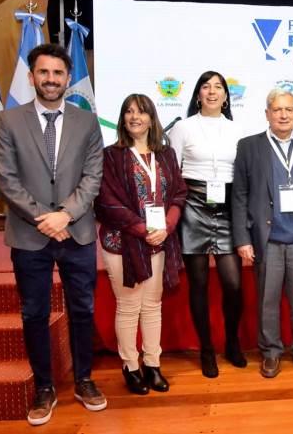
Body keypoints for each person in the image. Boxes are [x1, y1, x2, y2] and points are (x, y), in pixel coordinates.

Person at [0, 43, 105, 425]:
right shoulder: (8, 120)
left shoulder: (87, 122)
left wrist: (66, 215)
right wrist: (47, 219)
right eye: (44, 72)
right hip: (29, 234)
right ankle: (44, 387)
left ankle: (85, 379)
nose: (51, 79)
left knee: (83, 310)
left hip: (78, 233)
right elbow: (6, 180)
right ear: (31, 76)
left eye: (58, 73)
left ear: (68, 79)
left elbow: (93, 177)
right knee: (35, 312)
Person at [232, 88, 293, 378]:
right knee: (267, 302)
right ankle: (271, 352)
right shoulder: (249, 147)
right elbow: (239, 195)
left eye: (289, 109)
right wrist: (242, 239)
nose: (283, 115)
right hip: (267, 241)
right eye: (277, 110)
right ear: (267, 114)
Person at [95, 94, 188, 395]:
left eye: (141, 112)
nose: (135, 117)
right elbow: (106, 202)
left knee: (152, 306)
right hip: (123, 242)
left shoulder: (166, 155)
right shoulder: (111, 156)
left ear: (152, 118)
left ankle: (153, 363)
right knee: (129, 305)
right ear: (123, 119)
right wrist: (141, 228)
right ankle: (130, 366)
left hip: (160, 239)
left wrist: (168, 225)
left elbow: (178, 194)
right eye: (129, 112)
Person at [168, 71, 247, 377]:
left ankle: (232, 341)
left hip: (227, 207)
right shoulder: (183, 128)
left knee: (233, 284)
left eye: (218, 87)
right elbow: (173, 173)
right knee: (199, 283)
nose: (212, 92)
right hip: (193, 206)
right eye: (206, 87)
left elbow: (243, 173)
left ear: (227, 96)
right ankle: (206, 349)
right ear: (198, 94)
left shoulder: (237, 129)